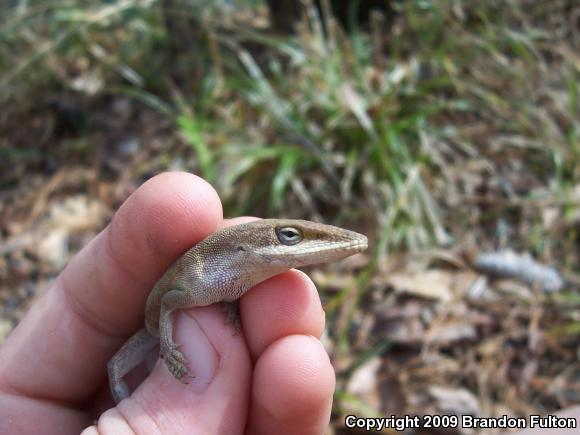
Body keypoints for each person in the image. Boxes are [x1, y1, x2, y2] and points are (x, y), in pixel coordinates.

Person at [0, 172, 335, 435]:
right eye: (288, 236)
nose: (291, 242)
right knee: (116, 368)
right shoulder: (197, 287)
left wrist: (230, 310)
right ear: (243, 247)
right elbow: (171, 305)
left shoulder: (228, 281)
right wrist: (170, 347)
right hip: (152, 328)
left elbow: (224, 299)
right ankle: (125, 403)